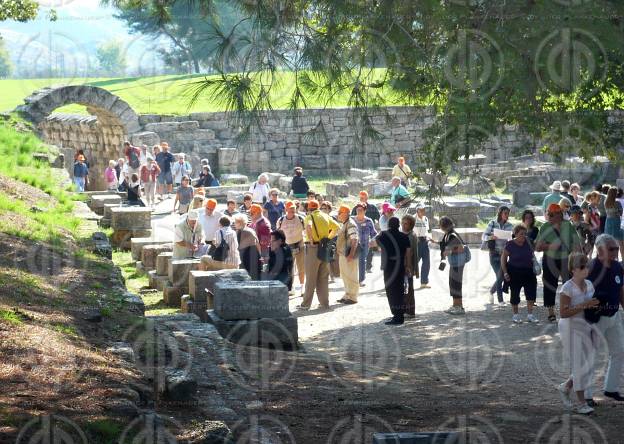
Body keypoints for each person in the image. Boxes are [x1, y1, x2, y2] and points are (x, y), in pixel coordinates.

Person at [557, 252, 600, 415]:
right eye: (582, 267)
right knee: (579, 363)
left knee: (587, 364)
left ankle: (565, 387)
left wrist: (596, 305)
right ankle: (581, 403)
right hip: (570, 328)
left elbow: (591, 306)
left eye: (586, 266)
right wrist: (586, 304)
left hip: (586, 326)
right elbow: (563, 313)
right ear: (573, 269)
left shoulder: (589, 284)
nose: (585, 270)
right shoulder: (567, 288)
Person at [584, 234, 624, 405]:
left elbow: (621, 289)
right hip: (596, 318)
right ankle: (586, 395)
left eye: (616, 248)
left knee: (619, 351)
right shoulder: (591, 267)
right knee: (591, 356)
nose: (616, 251)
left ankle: (611, 388)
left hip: (614, 315)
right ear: (600, 250)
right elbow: (582, 293)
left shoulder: (617, 266)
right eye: (612, 249)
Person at [535, 203, 582, 322]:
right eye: (548, 214)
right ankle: (551, 312)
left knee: (569, 284)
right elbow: (538, 246)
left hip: (566, 259)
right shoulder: (545, 227)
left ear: (559, 215)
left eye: (552, 215)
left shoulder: (568, 226)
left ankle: (568, 310)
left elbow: (577, 244)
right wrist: (551, 245)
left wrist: (578, 259)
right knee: (549, 286)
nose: (549, 217)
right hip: (549, 259)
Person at [298, 199, 340, 310]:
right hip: (324, 248)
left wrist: (311, 240)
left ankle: (306, 304)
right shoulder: (325, 216)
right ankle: (324, 303)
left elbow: (309, 227)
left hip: (312, 249)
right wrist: (328, 238)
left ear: (309, 208)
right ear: (318, 207)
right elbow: (337, 227)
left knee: (311, 277)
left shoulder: (309, 217)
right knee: (323, 277)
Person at [374, 217, 411, 325]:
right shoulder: (404, 236)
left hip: (388, 265)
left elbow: (375, 243)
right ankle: (400, 313)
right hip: (400, 265)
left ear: (389, 225)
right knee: (399, 289)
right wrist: (408, 266)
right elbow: (408, 252)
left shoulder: (384, 235)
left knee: (391, 290)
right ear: (399, 225)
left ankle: (397, 315)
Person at [501, 225, 539, 323]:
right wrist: (505, 272)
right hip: (514, 272)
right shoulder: (510, 244)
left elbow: (534, 252)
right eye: (521, 234)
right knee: (515, 294)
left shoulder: (529, 242)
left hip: (529, 272)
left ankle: (530, 315)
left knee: (531, 293)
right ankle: (515, 315)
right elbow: (503, 259)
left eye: (525, 233)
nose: (523, 236)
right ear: (516, 234)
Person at [482, 205, 513, 304]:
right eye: (505, 213)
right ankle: (500, 300)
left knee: (501, 276)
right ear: (500, 213)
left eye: (508, 214)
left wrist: (510, 239)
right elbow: (483, 236)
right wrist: (491, 237)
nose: (507, 215)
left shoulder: (510, 225)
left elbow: (511, 239)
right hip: (493, 254)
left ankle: (491, 292)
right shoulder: (492, 223)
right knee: (500, 276)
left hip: (503, 254)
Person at [277, 201, 306, 294]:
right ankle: (291, 287)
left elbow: (306, 231)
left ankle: (302, 287)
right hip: (288, 247)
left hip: (300, 245)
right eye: (290, 209)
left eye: (293, 209)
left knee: (301, 267)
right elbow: (279, 234)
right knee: (289, 268)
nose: (292, 211)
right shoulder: (281, 220)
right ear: (286, 209)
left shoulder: (301, 219)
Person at [439, 216, 466, 315]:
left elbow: (461, 248)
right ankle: (456, 305)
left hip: (457, 263)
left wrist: (448, 252)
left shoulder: (452, 235)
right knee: (453, 283)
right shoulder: (449, 234)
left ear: (443, 226)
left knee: (455, 284)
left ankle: (459, 307)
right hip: (455, 263)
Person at [351, 191, 380, 273]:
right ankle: (359, 268)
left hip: (369, 232)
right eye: (360, 198)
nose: (361, 199)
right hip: (357, 233)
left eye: (363, 198)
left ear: (367, 198)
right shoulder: (356, 208)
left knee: (369, 250)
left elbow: (378, 218)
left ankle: (368, 267)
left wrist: (377, 226)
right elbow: (351, 220)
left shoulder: (373, 207)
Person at [335, 205, 360, 304]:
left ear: (345, 213)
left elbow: (355, 239)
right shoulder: (345, 223)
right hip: (344, 254)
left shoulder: (350, 224)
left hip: (349, 254)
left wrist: (351, 254)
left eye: (340, 213)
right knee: (345, 275)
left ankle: (353, 297)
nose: (338, 215)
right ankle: (347, 294)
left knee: (351, 276)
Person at [353, 203, 377, 286]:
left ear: (365, 211)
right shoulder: (352, 220)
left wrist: (372, 241)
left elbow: (374, 233)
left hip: (365, 244)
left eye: (361, 210)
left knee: (362, 261)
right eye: (357, 210)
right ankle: (353, 279)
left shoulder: (369, 221)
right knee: (353, 262)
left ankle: (361, 280)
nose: (359, 211)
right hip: (353, 245)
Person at [401, 215, 420, 319]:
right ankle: (404, 309)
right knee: (404, 288)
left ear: (411, 225)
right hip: (403, 266)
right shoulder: (405, 234)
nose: (403, 225)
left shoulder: (411, 236)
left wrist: (408, 266)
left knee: (409, 289)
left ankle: (410, 311)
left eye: (406, 223)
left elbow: (410, 253)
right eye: (402, 223)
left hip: (408, 266)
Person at [233, 214, 262, 280]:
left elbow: (238, 247)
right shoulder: (250, 230)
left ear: (239, 222)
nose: (234, 224)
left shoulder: (241, 232)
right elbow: (258, 243)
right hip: (254, 255)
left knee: (246, 277)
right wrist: (260, 255)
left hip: (246, 256)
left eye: (235, 222)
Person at [413, 204, 431, 289]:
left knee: (426, 262)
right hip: (416, 242)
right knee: (414, 263)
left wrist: (428, 238)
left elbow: (426, 230)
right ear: (417, 211)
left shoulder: (426, 218)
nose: (424, 211)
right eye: (422, 210)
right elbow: (408, 230)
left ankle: (424, 282)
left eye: (424, 209)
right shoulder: (412, 218)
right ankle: (406, 280)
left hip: (424, 241)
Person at [604, 186, 624, 259]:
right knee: (620, 242)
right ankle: (622, 259)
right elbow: (621, 213)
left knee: (609, 241)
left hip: (608, 221)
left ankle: (612, 258)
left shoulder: (606, 202)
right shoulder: (617, 203)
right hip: (616, 221)